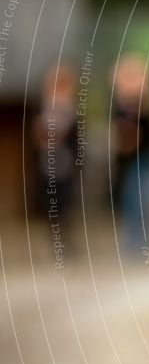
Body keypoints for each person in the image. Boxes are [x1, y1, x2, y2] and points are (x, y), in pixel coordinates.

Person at [111, 54, 149, 253]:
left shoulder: (145, 102)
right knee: (129, 199)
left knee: (141, 199)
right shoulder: (119, 104)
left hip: (144, 159)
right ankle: (133, 239)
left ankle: (142, 241)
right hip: (126, 160)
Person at [33, 62, 78, 238]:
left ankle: (64, 236)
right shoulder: (43, 109)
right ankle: (55, 237)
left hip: (66, 162)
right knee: (51, 200)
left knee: (65, 200)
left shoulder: (71, 109)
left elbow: (75, 138)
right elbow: (37, 137)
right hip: (48, 162)